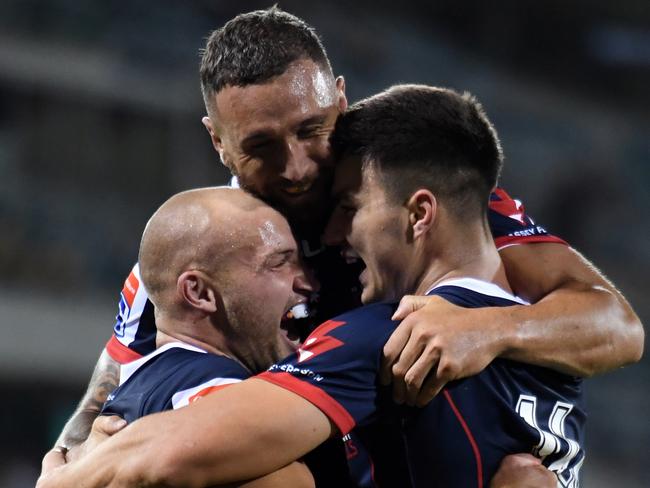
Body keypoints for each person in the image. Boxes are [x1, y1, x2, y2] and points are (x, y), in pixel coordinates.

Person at [42, 4, 643, 481]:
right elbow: (114, 379)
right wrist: (67, 458)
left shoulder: (417, 195)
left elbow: (616, 324)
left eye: (311, 129)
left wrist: (487, 329)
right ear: (218, 143)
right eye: (261, 147)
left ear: (340, 98)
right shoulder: (199, 243)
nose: (298, 166)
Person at [99, 186, 315, 487]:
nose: (307, 281)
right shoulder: (210, 387)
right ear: (199, 292)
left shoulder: (134, 392)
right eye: (278, 263)